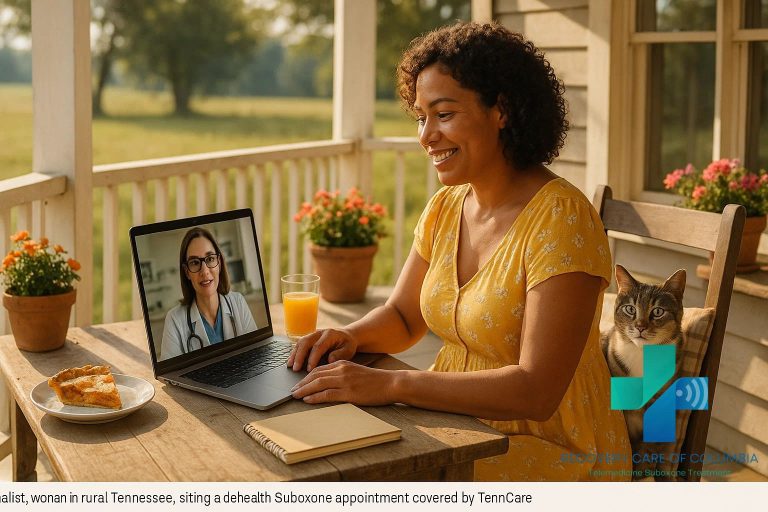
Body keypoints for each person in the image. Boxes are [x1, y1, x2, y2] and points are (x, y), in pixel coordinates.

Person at [287, 22, 631, 481]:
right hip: (454, 423)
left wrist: (390, 383)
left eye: (444, 114)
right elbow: (405, 318)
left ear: (502, 110)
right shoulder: (447, 206)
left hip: (552, 448)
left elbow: (536, 391)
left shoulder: (562, 220)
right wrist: (350, 337)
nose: (426, 136)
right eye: (420, 117)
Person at [161, 227, 257, 359]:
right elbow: (169, 376)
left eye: (210, 259)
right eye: (195, 262)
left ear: (219, 263)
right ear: (187, 272)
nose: (205, 271)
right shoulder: (175, 320)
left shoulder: (238, 302)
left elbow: (256, 354)